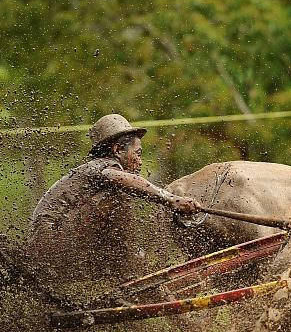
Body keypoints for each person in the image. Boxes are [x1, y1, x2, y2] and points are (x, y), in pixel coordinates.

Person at [28, 114, 200, 299]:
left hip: (58, 246)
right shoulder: (103, 166)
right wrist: (171, 199)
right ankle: (132, 268)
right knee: (118, 196)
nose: (140, 161)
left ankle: (133, 273)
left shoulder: (92, 176)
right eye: (138, 153)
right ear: (117, 149)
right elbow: (119, 178)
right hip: (52, 242)